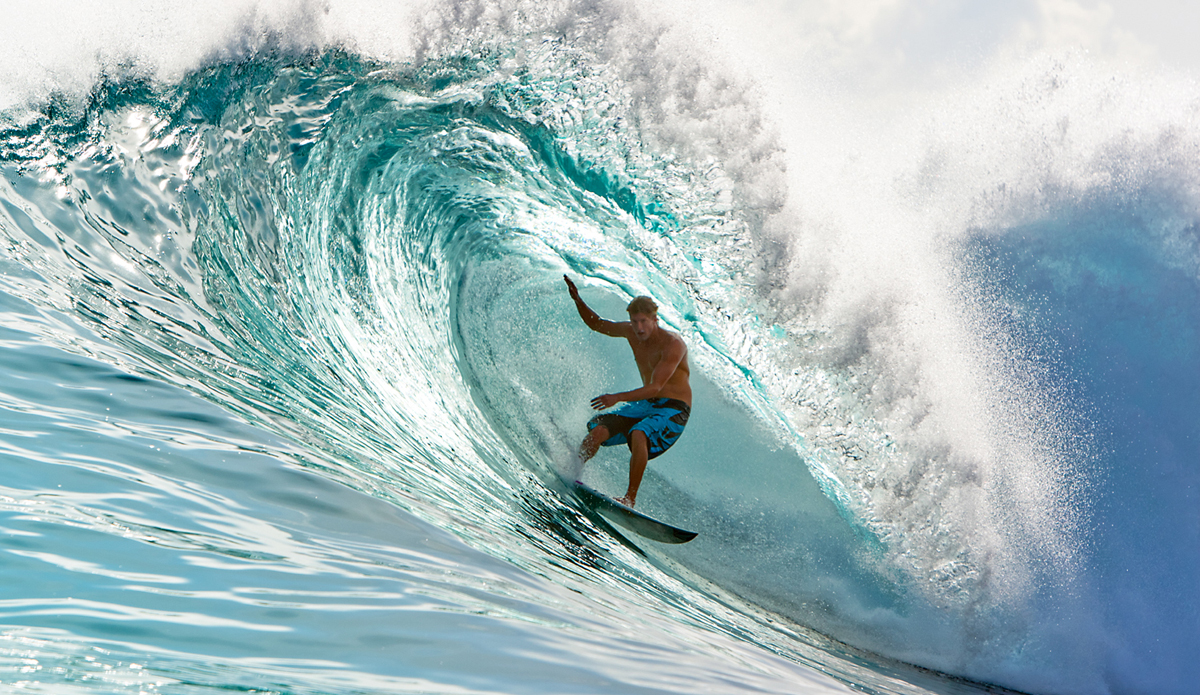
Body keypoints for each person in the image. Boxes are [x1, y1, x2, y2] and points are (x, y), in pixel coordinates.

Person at [565, 275, 692, 507]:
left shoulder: (673, 344)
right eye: (634, 322)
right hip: (647, 404)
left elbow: (655, 386)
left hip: (673, 409)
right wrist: (577, 299)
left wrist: (617, 397)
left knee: (639, 433)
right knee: (599, 431)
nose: (639, 327)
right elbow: (597, 324)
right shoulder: (630, 332)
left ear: (655, 319)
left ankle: (629, 499)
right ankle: (572, 471)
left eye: (643, 321)